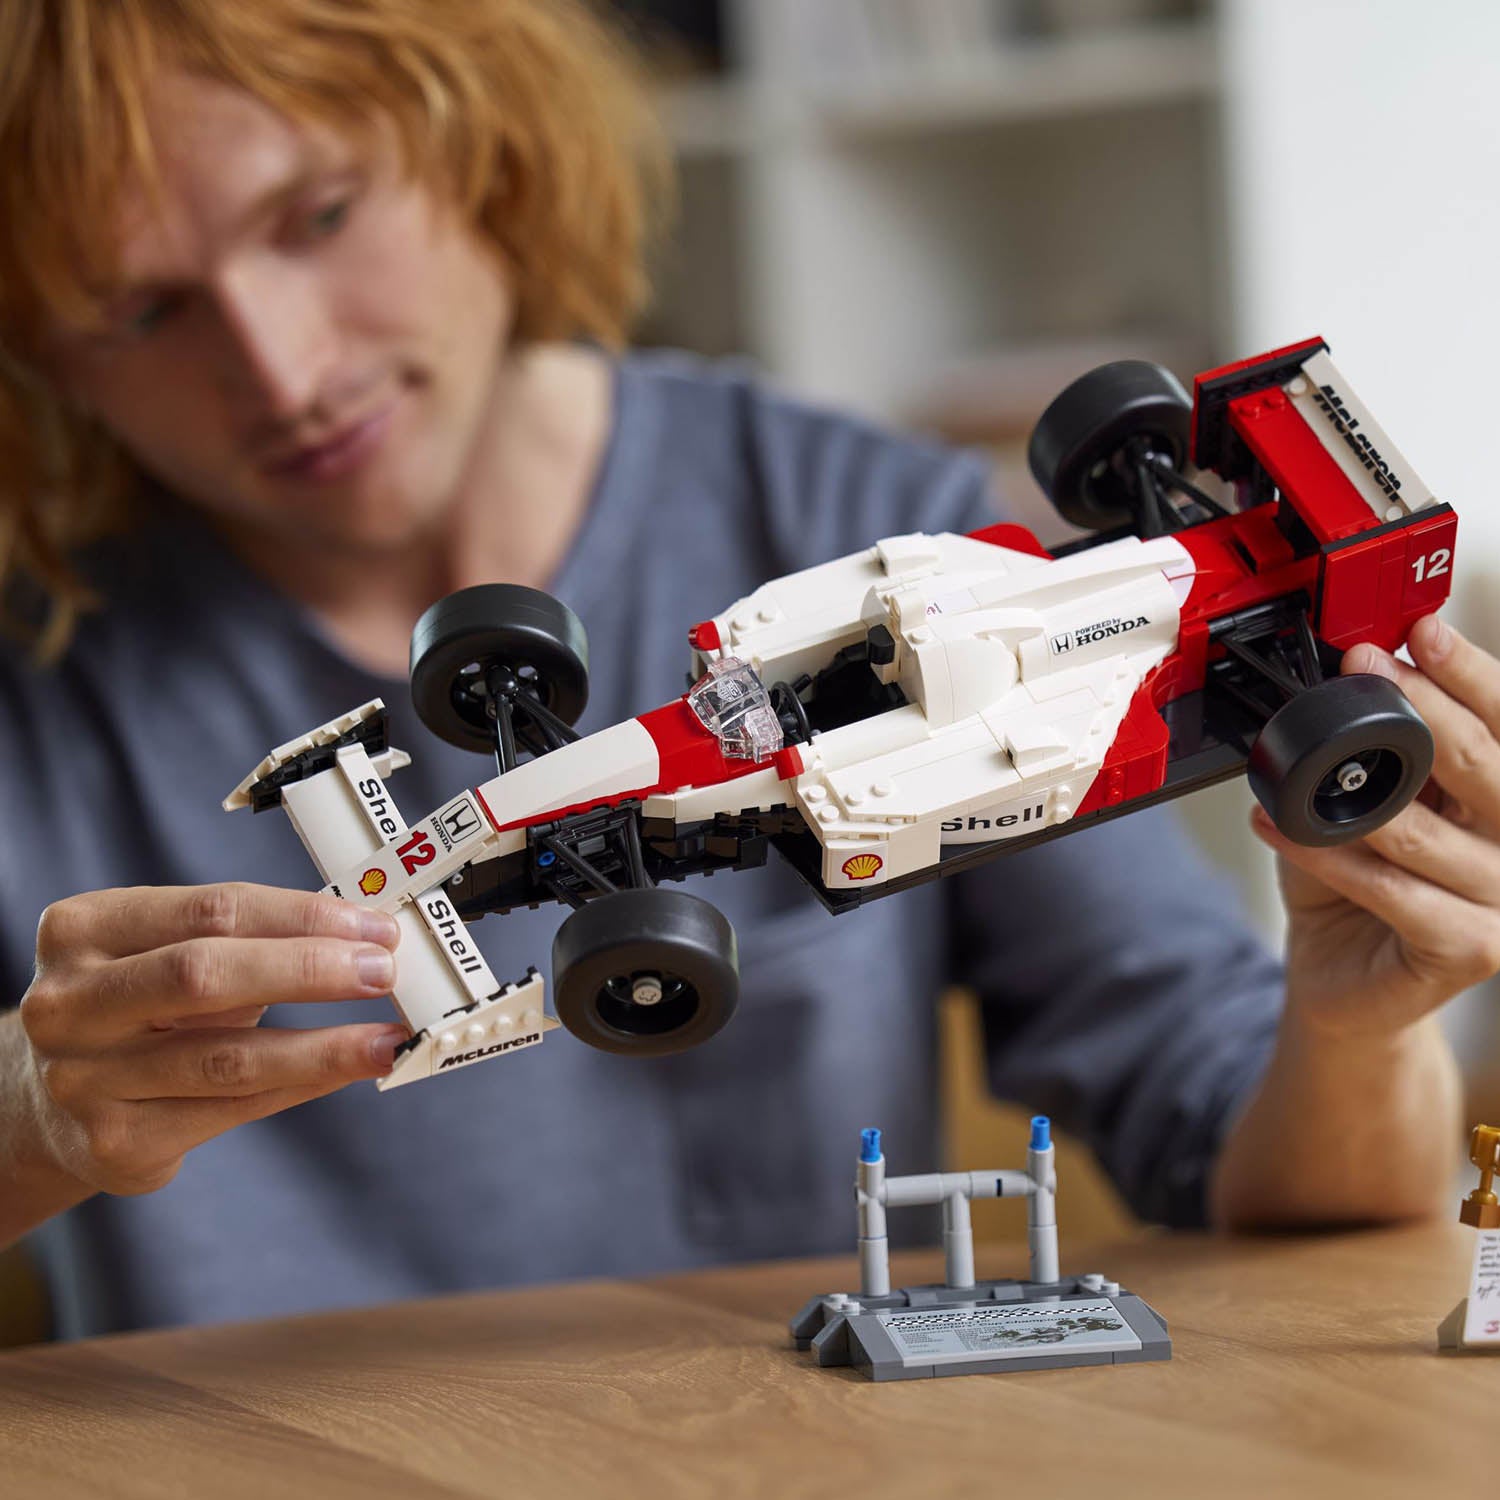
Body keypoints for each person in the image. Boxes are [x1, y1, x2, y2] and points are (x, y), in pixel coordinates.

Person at [0, 0, 1488, 1339]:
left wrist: (1359, 1016)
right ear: (40, 356)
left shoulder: (851, 509)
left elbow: (1241, 1148)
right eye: (142, 309)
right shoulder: (37, 684)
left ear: (473, 141)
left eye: (318, 215)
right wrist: (28, 1114)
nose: (282, 368)